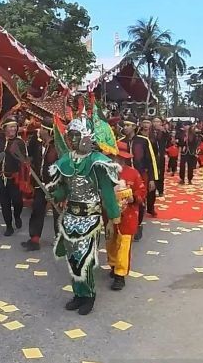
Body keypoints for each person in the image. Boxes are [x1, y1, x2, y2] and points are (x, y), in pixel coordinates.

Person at [47, 115, 120, 315]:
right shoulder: (66, 161)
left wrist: (113, 219)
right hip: (70, 217)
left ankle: (89, 295)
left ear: (87, 137)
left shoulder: (97, 162)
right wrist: (53, 194)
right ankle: (78, 294)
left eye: (76, 135)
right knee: (72, 259)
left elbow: (106, 192)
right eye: (71, 136)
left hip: (91, 218)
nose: (73, 140)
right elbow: (64, 189)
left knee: (85, 259)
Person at [106, 140, 146, 291]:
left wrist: (134, 198)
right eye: (114, 157)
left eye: (120, 158)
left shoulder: (133, 173)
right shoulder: (105, 172)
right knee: (110, 240)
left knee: (124, 243)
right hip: (110, 213)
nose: (117, 160)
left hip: (128, 214)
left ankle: (120, 275)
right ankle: (113, 265)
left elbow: (141, 191)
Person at [0, 116, 28, 236]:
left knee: (17, 201)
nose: (13, 129)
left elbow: (24, 160)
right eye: (11, 126)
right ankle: (9, 226)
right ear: (5, 128)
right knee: (5, 203)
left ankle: (17, 216)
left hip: (13, 178)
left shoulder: (20, 143)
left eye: (15, 126)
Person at [22, 117, 58, 251]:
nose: (39, 130)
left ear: (47, 131)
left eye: (42, 128)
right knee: (37, 209)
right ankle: (34, 239)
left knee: (57, 212)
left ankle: (59, 238)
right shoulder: (37, 144)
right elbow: (30, 156)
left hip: (54, 185)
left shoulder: (57, 148)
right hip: (39, 184)